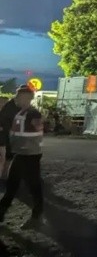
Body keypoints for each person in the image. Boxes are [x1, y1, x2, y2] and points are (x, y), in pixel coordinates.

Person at [0, 85, 44, 229]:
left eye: (19, 96)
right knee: (12, 186)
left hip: (30, 156)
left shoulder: (33, 114)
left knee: (33, 187)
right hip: (21, 155)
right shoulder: (21, 113)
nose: (16, 99)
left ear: (27, 98)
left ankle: (36, 217)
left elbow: (38, 134)